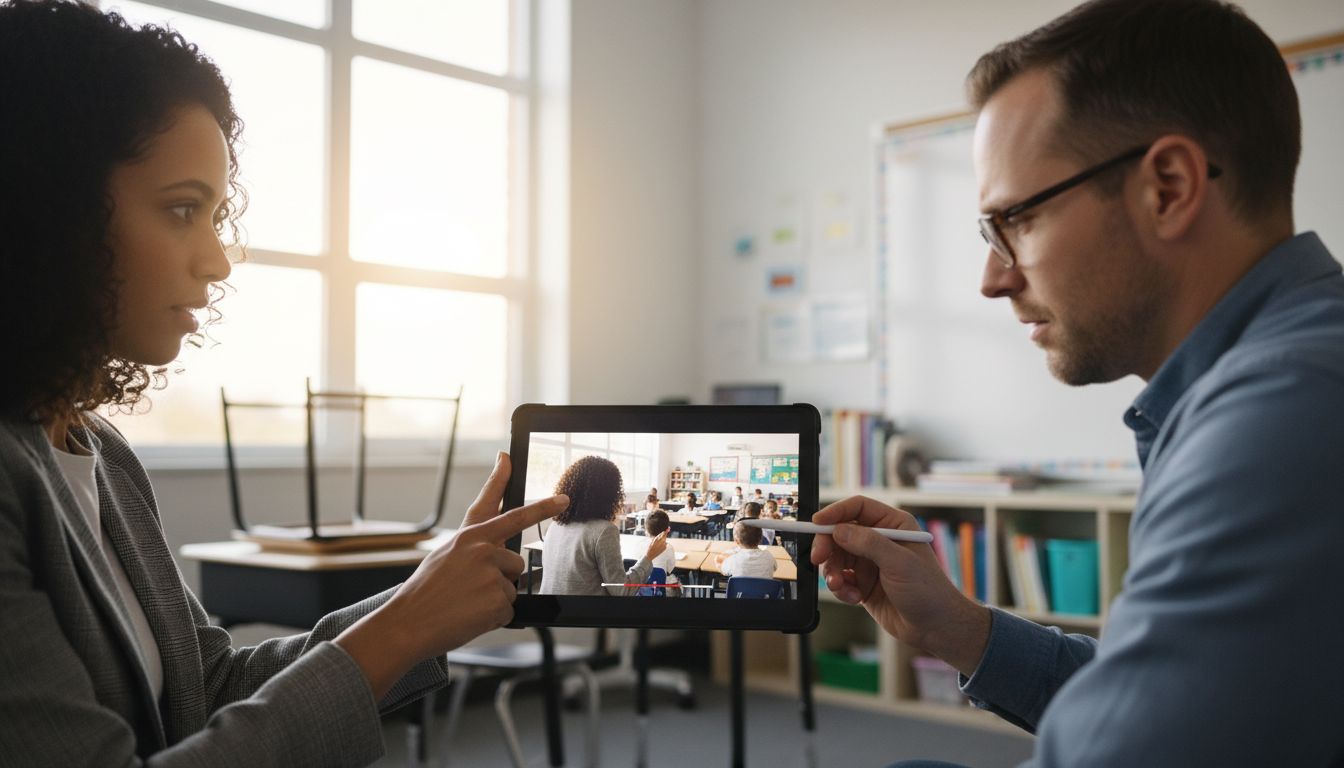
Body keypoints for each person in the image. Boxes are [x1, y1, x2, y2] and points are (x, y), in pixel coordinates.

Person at [0, 3, 565, 765]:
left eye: (213, 213)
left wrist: (421, 601)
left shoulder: (98, 452)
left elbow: (211, 689)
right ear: (48, 209)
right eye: (180, 209)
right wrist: (403, 625)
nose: (218, 261)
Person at [812, 1, 1344, 766]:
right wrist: (960, 628)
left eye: (1015, 221)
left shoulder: (1279, 421)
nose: (993, 279)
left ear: (1167, 186)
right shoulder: (1279, 373)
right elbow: (1157, 705)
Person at [540, 456, 667, 596]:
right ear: (609, 495)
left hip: (548, 612)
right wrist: (649, 556)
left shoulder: (555, 526)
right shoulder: (604, 530)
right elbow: (622, 590)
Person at [643, 510, 680, 594]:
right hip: (658, 591)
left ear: (646, 529)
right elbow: (670, 570)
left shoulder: (639, 545)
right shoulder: (668, 548)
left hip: (640, 590)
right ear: (668, 529)